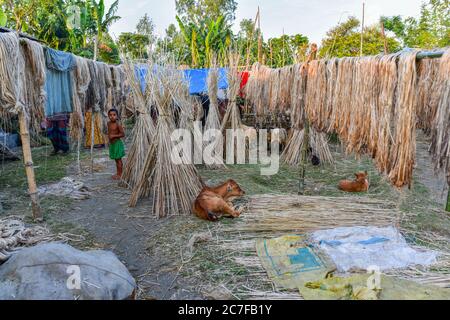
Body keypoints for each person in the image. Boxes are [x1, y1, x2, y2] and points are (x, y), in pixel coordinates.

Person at [107, 109, 125, 180]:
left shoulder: (118, 124)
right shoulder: (108, 123)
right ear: (108, 116)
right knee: (116, 160)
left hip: (117, 144)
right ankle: (118, 173)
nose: (112, 116)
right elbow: (109, 132)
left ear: (117, 116)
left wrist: (114, 136)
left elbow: (122, 134)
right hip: (112, 144)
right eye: (110, 115)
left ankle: (120, 174)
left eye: (114, 115)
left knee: (119, 160)